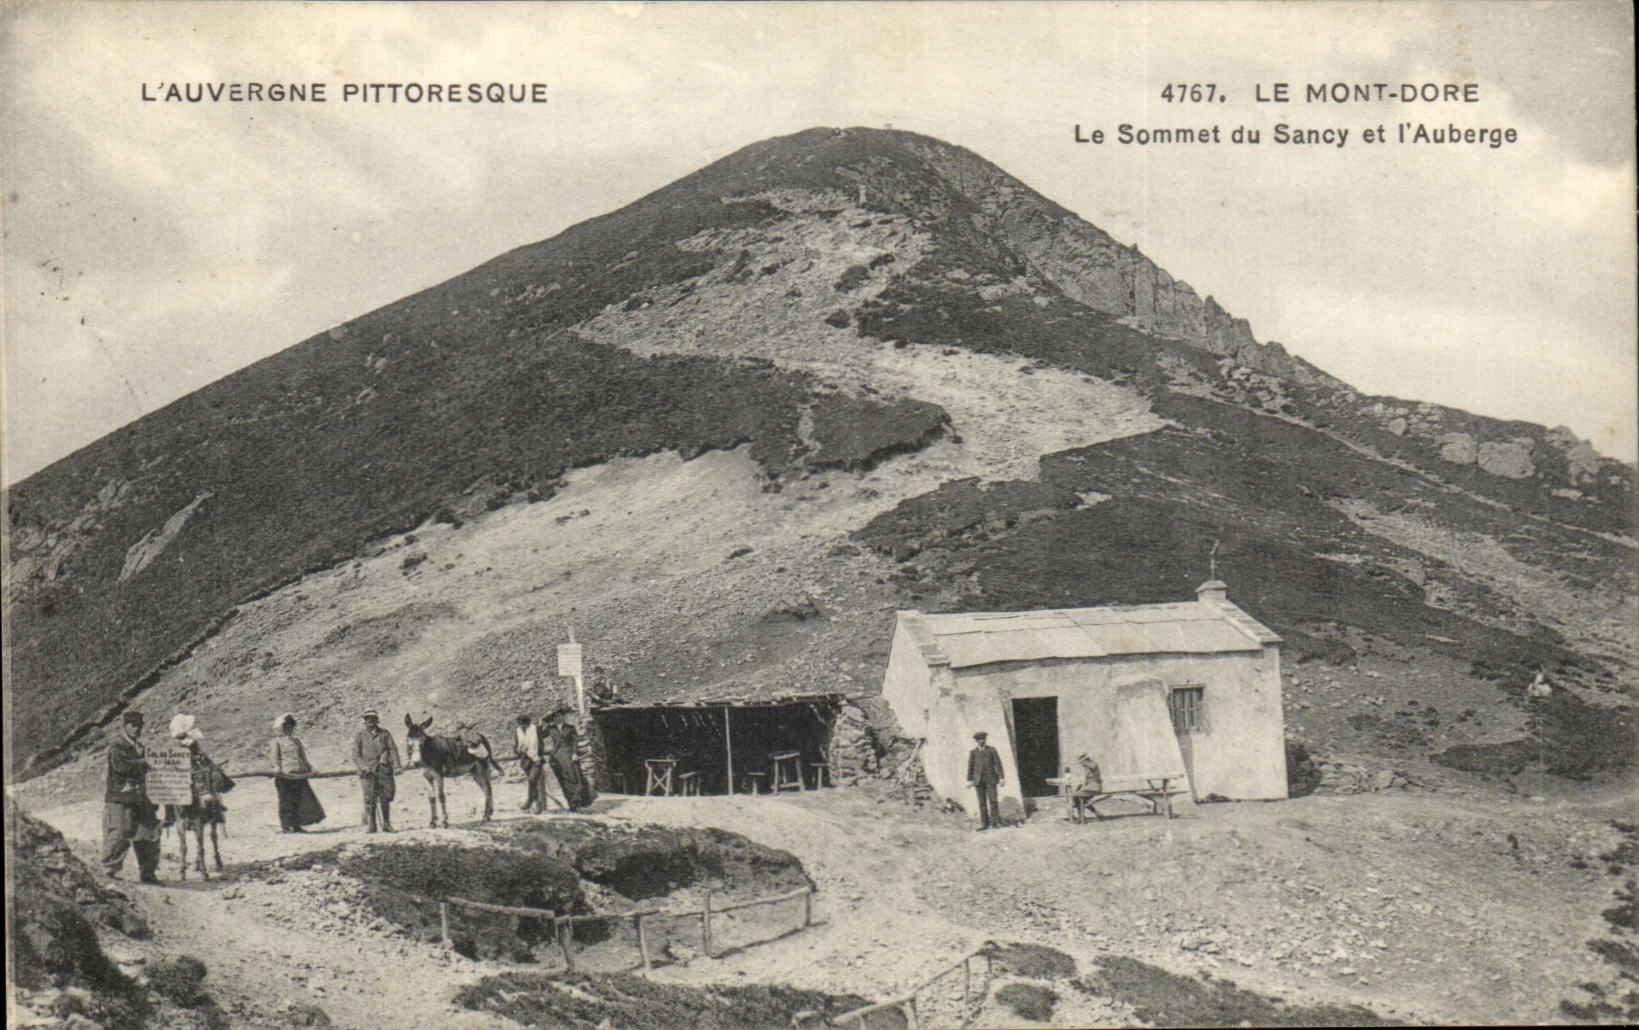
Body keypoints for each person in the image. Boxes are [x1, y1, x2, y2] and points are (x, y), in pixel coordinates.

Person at [103, 710, 162, 883]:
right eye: (133, 726)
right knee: (120, 833)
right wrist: (144, 763)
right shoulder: (117, 745)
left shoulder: (140, 748)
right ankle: (109, 870)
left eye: (139, 726)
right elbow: (121, 767)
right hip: (121, 798)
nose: (137, 729)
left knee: (149, 833)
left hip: (140, 798)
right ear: (125, 726)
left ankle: (148, 873)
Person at [350, 709, 400, 832]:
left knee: (386, 796)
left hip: (384, 770)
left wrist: (396, 766)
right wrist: (363, 767)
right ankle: (372, 825)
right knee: (369, 797)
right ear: (364, 721)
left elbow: (393, 749)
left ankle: (386, 824)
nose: (370, 721)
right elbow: (356, 755)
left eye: (373, 718)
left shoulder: (385, 734)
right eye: (368, 718)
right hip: (368, 772)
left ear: (377, 720)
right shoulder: (359, 735)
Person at [270, 713, 315, 832]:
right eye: (286, 726)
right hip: (285, 775)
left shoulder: (297, 741)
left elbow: (303, 757)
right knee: (285, 801)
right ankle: (286, 825)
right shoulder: (277, 741)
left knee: (297, 800)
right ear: (281, 728)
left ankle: (296, 825)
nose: (289, 729)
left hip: (298, 775)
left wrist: (310, 768)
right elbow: (275, 758)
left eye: (291, 726)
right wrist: (277, 768)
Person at [545, 711, 592, 811]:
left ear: (563, 717)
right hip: (557, 756)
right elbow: (540, 734)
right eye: (556, 716)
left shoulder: (570, 727)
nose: (559, 718)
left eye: (560, 716)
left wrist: (575, 753)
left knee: (574, 777)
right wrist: (542, 723)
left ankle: (577, 802)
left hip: (570, 754)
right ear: (553, 718)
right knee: (563, 779)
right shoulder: (551, 728)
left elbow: (575, 741)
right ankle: (570, 803)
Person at [965, 730, 1005, 831]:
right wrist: (969, 780)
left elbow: (998, 764)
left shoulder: (992, 750)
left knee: (993, 800)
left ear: (985, 740)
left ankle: (996, 822)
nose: (981, 741)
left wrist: (1001, 777)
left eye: (983, 739)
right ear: (976, 741)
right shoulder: (973, 753)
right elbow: (970, 767)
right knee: (982, 803)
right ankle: (984, 823)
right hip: (978, 781)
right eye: (979, 740)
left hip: (991, 779)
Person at [514, 714, 544, 813]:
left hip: (536, 759)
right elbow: (515, 746)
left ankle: (531, 801)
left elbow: (540, 745)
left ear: (528, 723)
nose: (521, 726)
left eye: (523, 724)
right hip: (525, 761)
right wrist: (518, 750)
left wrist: (538, 756)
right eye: (519, 724)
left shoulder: (535, 730)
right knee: (532, 782)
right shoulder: (518, 732)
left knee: (532, 780)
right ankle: (535, 804)